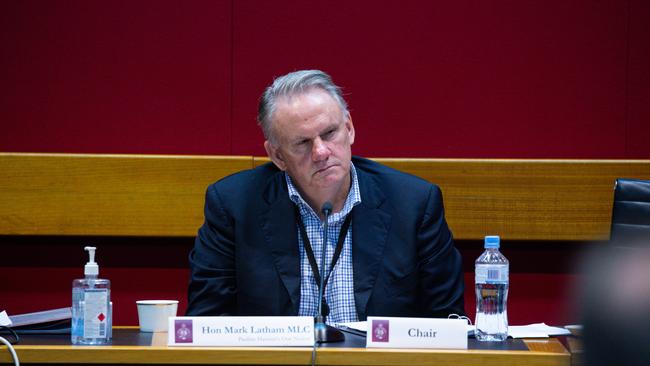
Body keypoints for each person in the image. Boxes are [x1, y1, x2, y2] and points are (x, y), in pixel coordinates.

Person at [186, 70, 464, 323]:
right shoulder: (234, 206)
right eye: (302, 143)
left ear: (350, 128)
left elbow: (448, 322)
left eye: (329, 133)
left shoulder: (414, 204)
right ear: (277, 155)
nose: (320, 152)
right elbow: (206, 320)